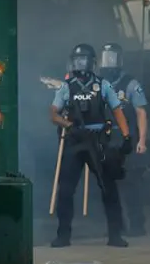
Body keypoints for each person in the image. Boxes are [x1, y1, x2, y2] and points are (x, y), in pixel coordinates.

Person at [50, 44, 134, 248]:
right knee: (66, 189)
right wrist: (68, 124)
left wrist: (126, 135)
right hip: (75, 140)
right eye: (77, 60)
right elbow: (53, 114)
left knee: (109, 187)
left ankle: (115, 235)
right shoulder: (66, 87)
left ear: (92, 62)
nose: (80, 63)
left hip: (98, 140)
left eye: (84, 59)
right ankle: (63, 235)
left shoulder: (103, 85)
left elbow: (117, 110)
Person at [97, 43, 149, 237]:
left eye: (113, 57)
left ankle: (137, 226)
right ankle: (115, 227)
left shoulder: (131, 84)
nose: (109, 62)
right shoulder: (98, 83)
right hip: (107, 140)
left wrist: (141, 140)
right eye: (106, 57)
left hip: (127, 139)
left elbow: (141, 112)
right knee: (108, 185)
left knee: (131, 184)